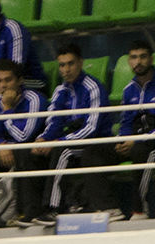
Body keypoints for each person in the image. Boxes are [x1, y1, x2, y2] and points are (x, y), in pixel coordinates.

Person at [35, 44, 115, 215]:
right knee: (30, 153)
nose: (66, 70)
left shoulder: (93, 87)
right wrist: (43, 139)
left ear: (80, 63)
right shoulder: (60, 91)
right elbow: (54, 122)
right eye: (62, 65)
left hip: (97, 143)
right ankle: (28, 211)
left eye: (70, 64)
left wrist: (60, 142)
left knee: (62, 151)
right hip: (73, 141)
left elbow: (91, 128)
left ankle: (52, 209)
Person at [112, 40, 155, 219]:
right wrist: (123, 140)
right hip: (135, 141)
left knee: (143, 153)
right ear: (129, 61)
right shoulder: (128, 90)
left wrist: (138, 141)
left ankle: (139, 209)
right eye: (133, 58)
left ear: (151, 59)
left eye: (142, 57)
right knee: (96, 153)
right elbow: (125, 121)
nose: (138, 62)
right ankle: (105, 208)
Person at [0, 61, 46, 227]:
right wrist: (1, 146)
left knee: (22, 152)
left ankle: (28, 213)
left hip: (35, 154)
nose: (3, 85)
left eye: (8, 80)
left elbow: (24, 136)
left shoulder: (35, 100)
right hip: (9, 153)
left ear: (19, 81)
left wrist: (7, 109)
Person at [0, 0, 46, 100]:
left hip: (27, 81)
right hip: (0, 80)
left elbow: (14, 71)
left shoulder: (12, 29)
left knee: (3, 84)